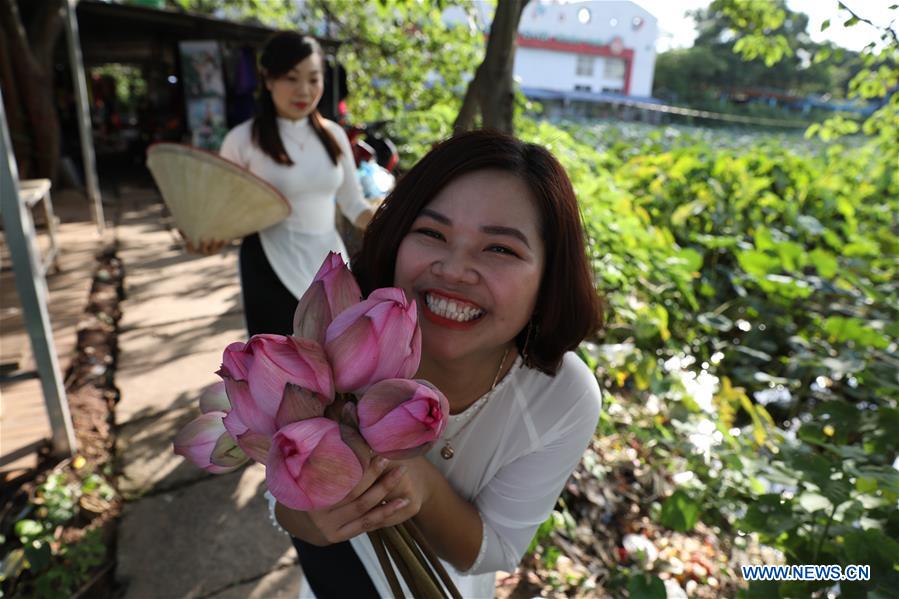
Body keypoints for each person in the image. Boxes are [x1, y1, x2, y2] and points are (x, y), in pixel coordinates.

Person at [272, 130, 605, 598]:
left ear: (549, 278)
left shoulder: (562, 398)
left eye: (500, 248)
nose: (453, 270)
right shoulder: (342, 332)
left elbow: (497, 549)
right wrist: (310, 519)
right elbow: (280, 493)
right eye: (432, 233)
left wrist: (420, 485)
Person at [192, 32, 376, 337]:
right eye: (291, 78)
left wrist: (396, 226)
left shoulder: (334, 136)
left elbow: (354, 204)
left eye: (314, 79)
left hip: (329, 264)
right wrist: (208, 237)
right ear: (268, 79)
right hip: (268, 264)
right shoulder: (242, 140)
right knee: (278, 358)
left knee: (338, 354)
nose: (304, 90)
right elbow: (221, 213)